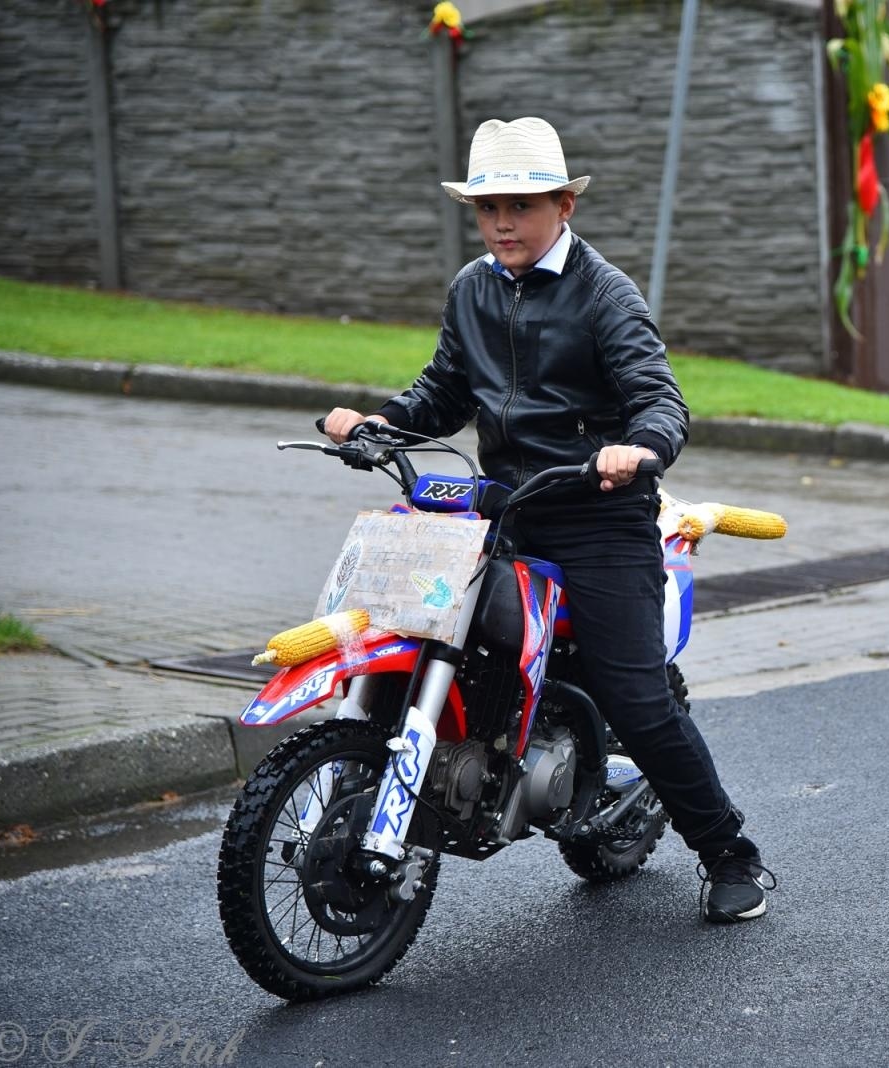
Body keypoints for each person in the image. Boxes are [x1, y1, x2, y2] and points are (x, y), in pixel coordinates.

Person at [324, 116, 774, 923]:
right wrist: (377, 427)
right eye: (488, 206)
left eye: (521, 205)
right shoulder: (472, 288)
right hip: (501, 516)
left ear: (563, 205)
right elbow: (446, 391)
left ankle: (729, 852)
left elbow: (659, 398)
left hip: (599, 521)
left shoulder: (606, 294)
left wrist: (638, 447)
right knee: (428, 642)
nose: (502, 222)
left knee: (637, 699)